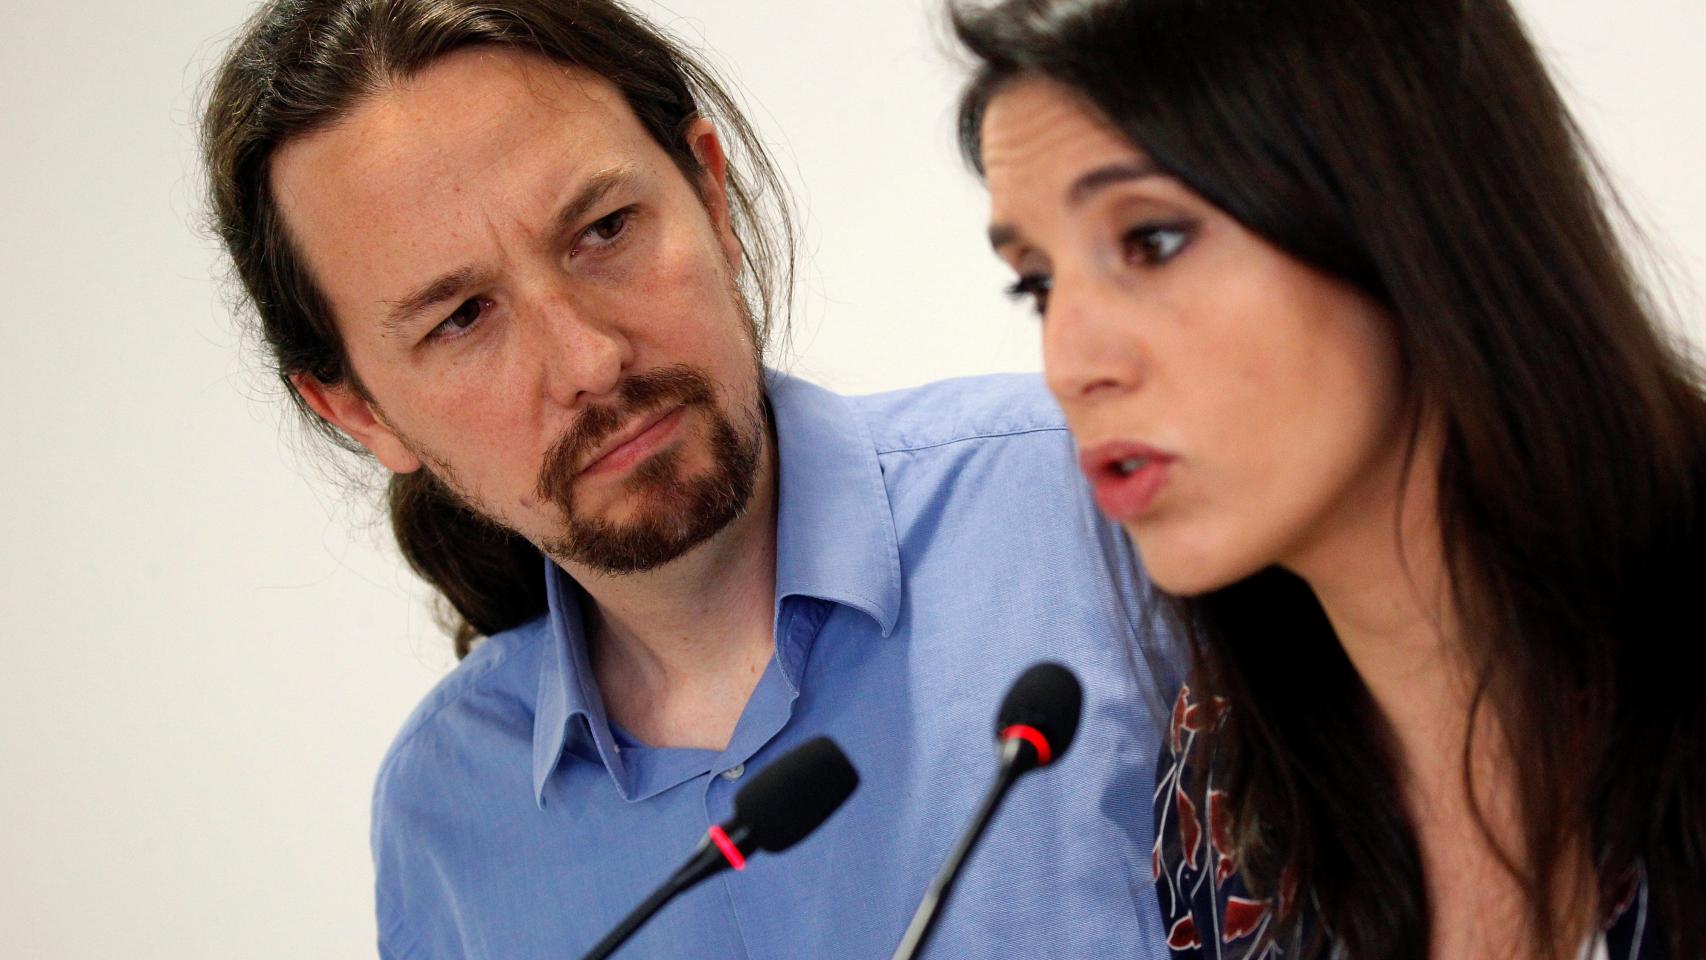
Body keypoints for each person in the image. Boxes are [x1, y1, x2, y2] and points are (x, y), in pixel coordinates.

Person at [200, 0, 1175, 956]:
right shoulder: (443, 817)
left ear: (709, 194)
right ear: (360, 411)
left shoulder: (1099, 505)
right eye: (460, 319)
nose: (587, 361)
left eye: (605, 230)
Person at [952, 0, 1706, 958]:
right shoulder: (1226, 773)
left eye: (1151, 241)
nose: (1070, 362)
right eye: (1040, 283)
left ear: (1413, 207)